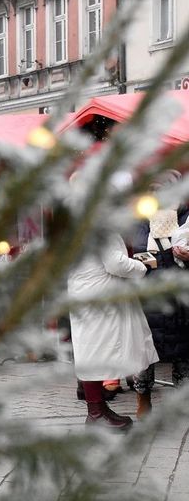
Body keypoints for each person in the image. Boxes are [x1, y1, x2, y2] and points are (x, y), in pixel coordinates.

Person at [68, 231, 159, 430]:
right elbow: (115, 263)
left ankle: (98, 410)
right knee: (96, 352)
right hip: (99, 296)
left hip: (87, 292)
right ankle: (97, 414)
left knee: (91, 351)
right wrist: (141, 266)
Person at [128, 169, 189, 415]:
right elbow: (131, 252)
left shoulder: (186, 216)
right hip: (148, 292)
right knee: (144, 349)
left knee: (183, 349)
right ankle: (143, 398)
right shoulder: (140, 220)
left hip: (179, 292)